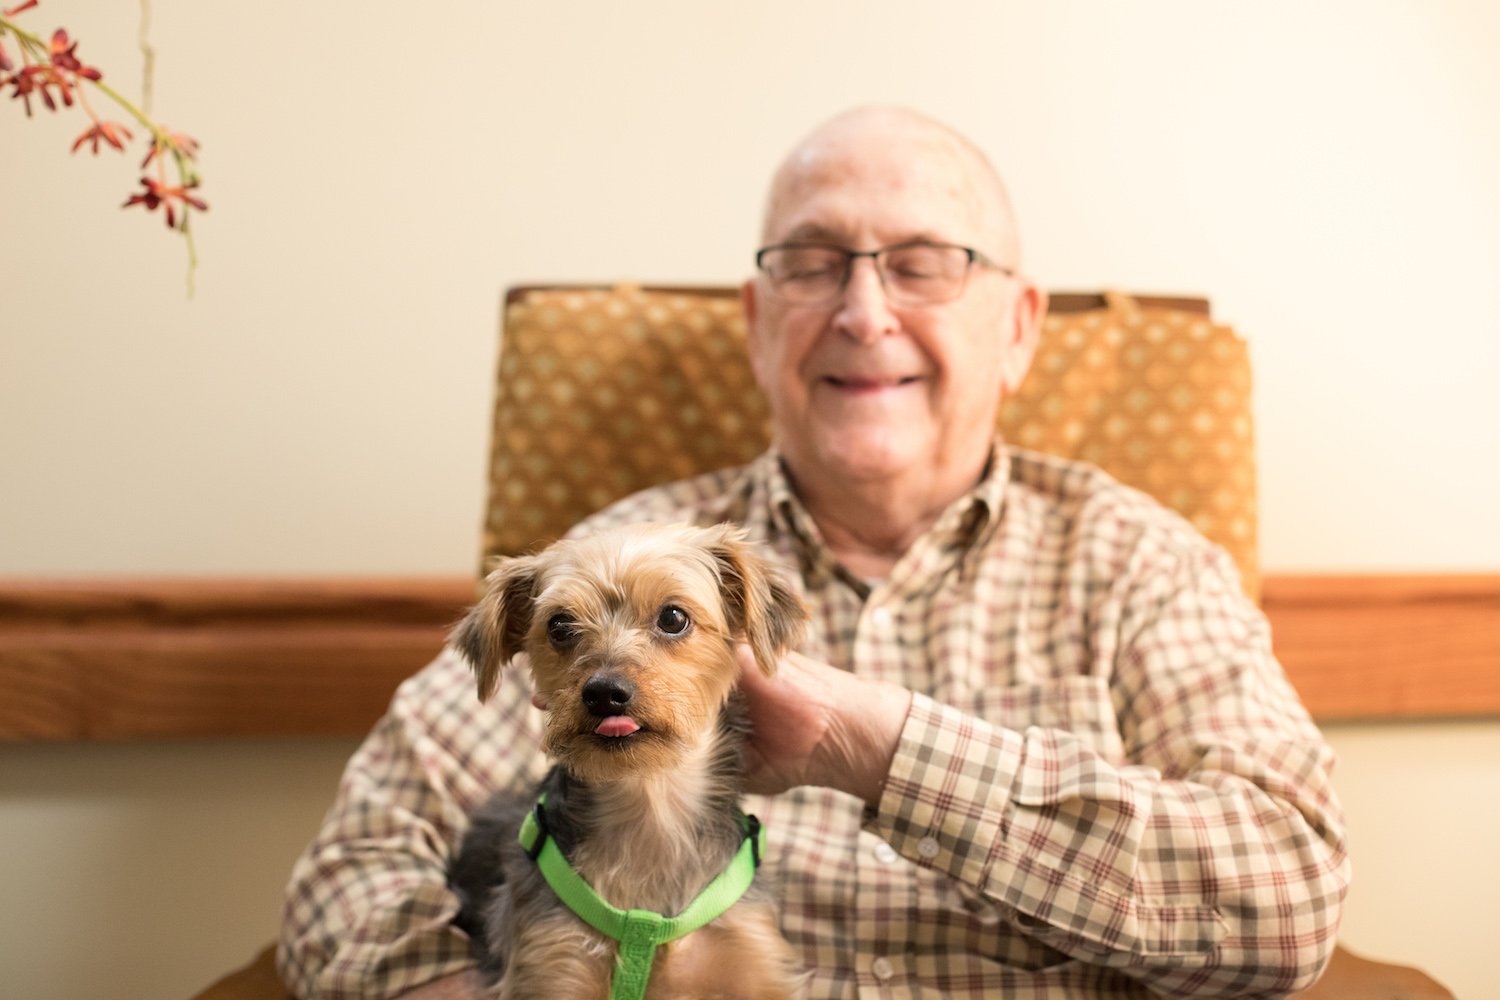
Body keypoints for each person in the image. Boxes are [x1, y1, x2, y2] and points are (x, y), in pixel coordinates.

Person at [279, 106, 1348, 999]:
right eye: (812, 264)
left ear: (1018, 327)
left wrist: (875, 745)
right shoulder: (617, 559)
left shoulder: (1143, 564)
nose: (862, 309)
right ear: (757, 321)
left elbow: (1289, 894)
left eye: (924, 264)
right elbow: (351, 866)